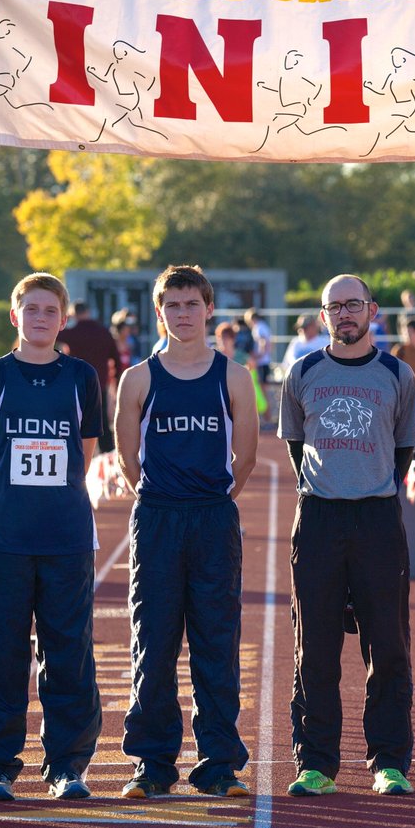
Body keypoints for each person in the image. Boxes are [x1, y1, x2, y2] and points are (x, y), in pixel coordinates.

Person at [114, 266, 259, 798]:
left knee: (216, 644)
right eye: (172, 305)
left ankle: (219, 763)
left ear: (208, 309)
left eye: (191, 304)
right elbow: (129, 460)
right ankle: (152, 765)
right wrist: (161, 500)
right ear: (160, 312)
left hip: (212, 518)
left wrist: (211, 501)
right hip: (157, 518)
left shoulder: (234, 376)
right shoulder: (139, 379)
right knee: (152, 643)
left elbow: (246, 456)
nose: (182, 314)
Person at [0, 273, 104, 801]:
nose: (40, 317)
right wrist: (10, 499)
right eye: (31, 309)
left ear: (62, 319)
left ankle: (67, 765)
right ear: (14, 315)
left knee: (68, 652)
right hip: (6, 537)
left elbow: (85, 452)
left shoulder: (81, 377)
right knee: (0, 651)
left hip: (67, 536)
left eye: (50, 310)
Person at [280, 274, 415, 796]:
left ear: (372, 310)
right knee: (314, 649)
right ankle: (316, 764)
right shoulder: (303, 372)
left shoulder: (397, 374)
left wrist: (367, 485)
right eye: (334, 306)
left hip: (377, 522)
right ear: (323, 317)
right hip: (317, 519)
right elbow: (296, 447)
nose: (344, 314)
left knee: (387, 647)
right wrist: (331, 486)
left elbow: (403, 449)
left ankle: (388, 761)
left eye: (353, 304)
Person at [57, 299, 122, 453]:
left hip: (75, 385)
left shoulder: (72, 334)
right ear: (88, 312)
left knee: (74, 421)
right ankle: (108, 459)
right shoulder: (104, 332)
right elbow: (117, 361)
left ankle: (74, 455)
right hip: (99, 384)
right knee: (102, 423)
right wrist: (116, 383)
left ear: (74, 314)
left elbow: (52, 337)